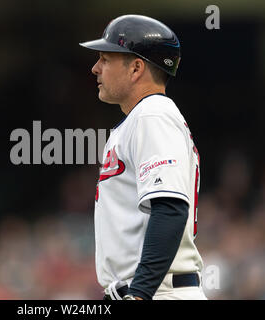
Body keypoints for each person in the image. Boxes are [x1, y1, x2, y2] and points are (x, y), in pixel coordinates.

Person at [79, 14, 207, 300]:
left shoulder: (153, 115)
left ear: (136, 68)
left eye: (105, 59)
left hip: (159, 292)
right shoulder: (141, 119)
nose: (95, 68)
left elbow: (170, 209)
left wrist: (139, 294)